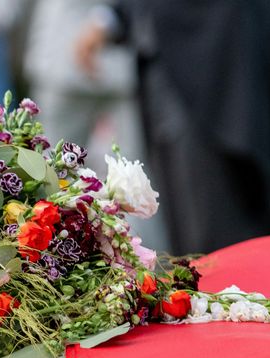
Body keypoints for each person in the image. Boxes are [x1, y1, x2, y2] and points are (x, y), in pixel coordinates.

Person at [76, 1, 270, 254]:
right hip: (165, 69)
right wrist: (111, 19)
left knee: (219, 226)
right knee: (182, 229)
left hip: (214, 69)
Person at [23, 0, 168, 251]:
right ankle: (42, 254)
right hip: (66, 55)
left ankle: (146, 268)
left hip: (119, 53)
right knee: (48, 175)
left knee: (134, 179)